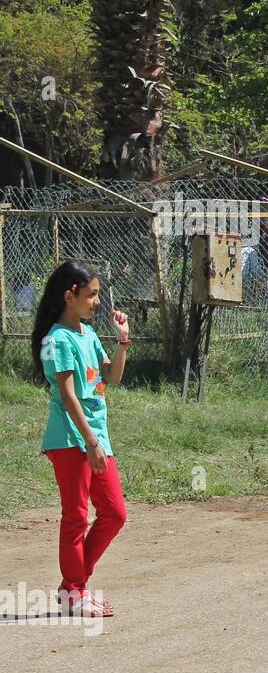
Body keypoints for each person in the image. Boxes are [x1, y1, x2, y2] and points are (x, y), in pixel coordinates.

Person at [32, 261, 130, 618]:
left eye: (98, 294)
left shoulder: (87, 335)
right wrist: (90, 442)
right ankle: (75, 591)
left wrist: (122, 340)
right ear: (70, 295)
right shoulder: (55, 341)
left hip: (96, 438)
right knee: (76, 517)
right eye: (92, 295)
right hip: (72, 439)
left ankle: (73, 587)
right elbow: (69, 395)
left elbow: (112, 378)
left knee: (114, 513)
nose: (97, 302)